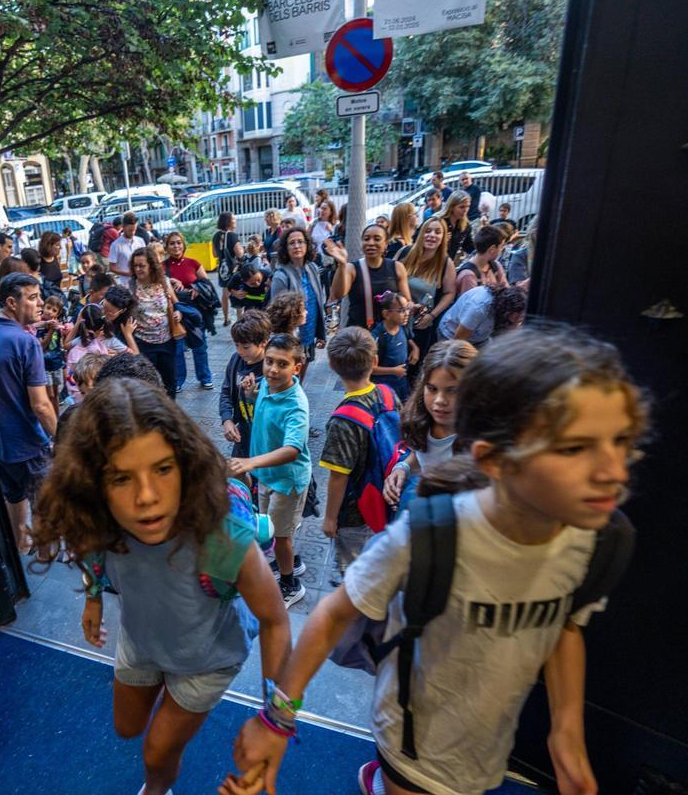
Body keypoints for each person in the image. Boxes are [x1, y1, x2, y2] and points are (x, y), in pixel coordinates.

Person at [225, 324, 649, 795]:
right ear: (493, 459)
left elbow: (563, 623)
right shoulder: (429, 535)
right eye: (576, 449)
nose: (613, 472)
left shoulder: (592, 542)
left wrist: (566, 734)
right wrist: (278, 719)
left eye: (623, 443)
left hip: (487, 747)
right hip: (414, 742)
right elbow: (330, 616)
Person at [33, 378, 291, 795]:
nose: (147, 497)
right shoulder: (95, 518)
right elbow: (91, 553)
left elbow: (276, 621)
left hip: (208, 658)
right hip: (142, 639)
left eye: (163, 469)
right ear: (93, 486)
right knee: (127, 727)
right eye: (121, 479)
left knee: (156, 753)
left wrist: (275, 721)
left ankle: (156, 789)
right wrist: (93, 598)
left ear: (185, 464)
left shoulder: (221, 537)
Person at [0, 273, 57, 552]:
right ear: (11, 303)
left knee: (14, 496)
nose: (40, 303)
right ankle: (45, 556)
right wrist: (64, 436)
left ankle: (20, 548)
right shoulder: (26, 343)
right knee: (45, 503)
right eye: (32, 298)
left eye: (39, 296)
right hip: (28, 444)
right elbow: (41, 405)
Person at [229, 333, 311, 608]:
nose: (273, 369)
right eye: (269, 362)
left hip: (287, 480)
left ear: (296, 367)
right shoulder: (266, 385)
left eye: (282, 364)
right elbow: (259, 408)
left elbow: (292, 450)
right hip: (266, 475)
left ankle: (290, 584)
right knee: (268, 524)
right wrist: (250, 394)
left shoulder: (296, 405)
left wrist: (251, 463)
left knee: (280, 534)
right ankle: (290, 563)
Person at [316, 327, 390, 578]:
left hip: (355, 511)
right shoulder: (387, 395)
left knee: (353, 572)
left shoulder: (343, 420)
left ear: (332, 366)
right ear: (375, 362)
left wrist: (330, 518)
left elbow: (339, 476)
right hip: (386, 498)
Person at [382, 339, 478, 514]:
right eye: (432, 389)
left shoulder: (481, 440)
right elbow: (420, 454)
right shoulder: (421, 422)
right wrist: (402, 468)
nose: (440, 401)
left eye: (453, 390)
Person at [269, 227, 326, 390]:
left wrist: (320, 332)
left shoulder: (313, 268)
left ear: (307, 245)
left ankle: (296, 392)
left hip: (309, 330)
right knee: (288, 373)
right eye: (291, 243)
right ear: (286, 248)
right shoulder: (281, 276)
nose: (296, 246)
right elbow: (277, 315)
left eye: (300, 241)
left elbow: (318, 300)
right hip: (291, 335)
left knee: (302, 368)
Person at [328, 224, 412, 331]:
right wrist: (342, 265)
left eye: (377, 239)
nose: (371, 243)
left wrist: (411, 307)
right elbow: (338, 294)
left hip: (389, 334)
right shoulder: (352, 268)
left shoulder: (397, 267)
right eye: (366, 239)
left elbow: (407, 301)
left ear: (386, 244)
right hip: (359, 335)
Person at [396, 218, 457, 362]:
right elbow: (389, 279)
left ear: (443, 237)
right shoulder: (405, 252)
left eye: (437, 232)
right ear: (421, 233)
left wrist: (432, 316)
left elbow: (450, 293)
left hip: (420, 326)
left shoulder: (446, 263)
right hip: (396, 320)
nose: (432, 235)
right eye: (428, 231)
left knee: (413, 367)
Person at [220, 310, 271, 476]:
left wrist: (253, 396)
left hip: (266, 438)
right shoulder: (236, 360)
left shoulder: (272, 369)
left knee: (261, 478)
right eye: (236, 345)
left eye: (246, 347)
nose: (240, 351)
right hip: (244, 432)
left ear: (263, 342)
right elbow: (226, 391)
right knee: (236, 472)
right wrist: (227, 419)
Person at [164, 232, 213, 391]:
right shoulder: (162, 267)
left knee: (200, 346)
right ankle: (178, 380)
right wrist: (170, 281)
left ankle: (205, 377)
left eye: (178, 242)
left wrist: (197, 288)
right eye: (172, 243)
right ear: (167, 247)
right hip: (174, 312)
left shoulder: (194, 263)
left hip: (195, 312)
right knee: (177, 350)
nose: (176, 246)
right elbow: (159, 288)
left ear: (183, 245)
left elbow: (208, 286)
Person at [130, 247, 180, 396]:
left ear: (151, 265)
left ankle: (170, 412)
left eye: (141, 265)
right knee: (149, 384)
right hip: (143, 343)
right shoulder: (131, 286)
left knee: (170, 382)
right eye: (135, 266)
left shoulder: (163, 282)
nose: (138, 269)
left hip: (167, 341)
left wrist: (178, 312)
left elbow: (176, 303)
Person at [438, 282, 527, 347]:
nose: (519, 319)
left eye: (522, 315)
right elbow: (458, 341)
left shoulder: (505, 311)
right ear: (507, 308)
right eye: (517, 314)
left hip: (480, 338)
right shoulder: (479, 308)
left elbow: (511, 334)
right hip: (451, 336)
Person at [370, 291, 419, 401]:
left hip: (401, 383)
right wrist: (393, 370)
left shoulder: (402, 327)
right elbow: (370, 368)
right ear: (386, 314)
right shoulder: (377, 337)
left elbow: (409, 339)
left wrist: (415, 349)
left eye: (407, 309)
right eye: (401, 311)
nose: (407, 313)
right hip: (384, 388)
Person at [455, 224, 509, 296]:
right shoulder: (468, 276)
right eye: (501, 246)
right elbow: (471, 305)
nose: (502, 249)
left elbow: (507, 292)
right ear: (492, 249)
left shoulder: (496, 266)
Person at [38, 294, 68, 412]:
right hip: (44, 365)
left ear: (58, 314)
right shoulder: (39, 326)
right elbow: (42, 345)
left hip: (56, 364)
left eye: (54, 310)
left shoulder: (58, 325)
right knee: (49, 395)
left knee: (55, 395)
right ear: (43, 307)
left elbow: (60, 344)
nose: (50, 312)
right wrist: (50, 330)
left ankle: (56, 419)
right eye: (48, 308)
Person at [213, 211, 244, 326]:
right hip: (233, 267)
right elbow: (239, 253)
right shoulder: (231, 235)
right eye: (234, 219)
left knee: (225, 293)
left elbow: (215, 254)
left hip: (222, 268)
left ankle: (226, 318)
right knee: (236, 291)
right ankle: (239, 318)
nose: (235, 221)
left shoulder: (216, 236)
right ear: (228, 222)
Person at [109, 211, 147, 287]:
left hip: (143, 280)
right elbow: (112, 267)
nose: (132, 233)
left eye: (134, 230)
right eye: (130, 230)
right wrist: (128, 273)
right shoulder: (115, 245)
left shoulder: (140, 241)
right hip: (126, 283)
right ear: (123, 227)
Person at [438, 190, 475, 261]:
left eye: (468, 206)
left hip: (448, 264)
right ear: (451, 207)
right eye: (462, 207)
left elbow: (469, 247)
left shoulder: (465, 225)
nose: (466, 210)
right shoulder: (438, 221)